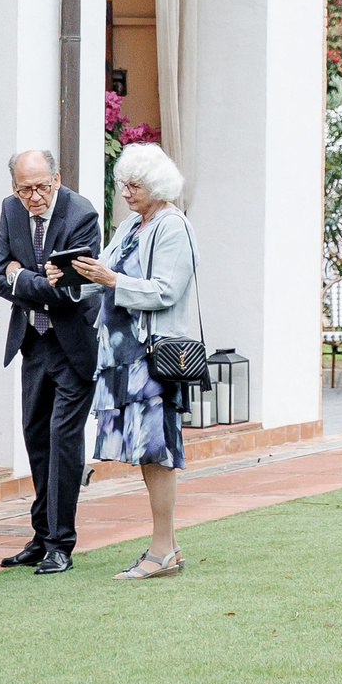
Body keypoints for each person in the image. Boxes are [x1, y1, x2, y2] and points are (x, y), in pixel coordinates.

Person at [71, 142, 199, 581]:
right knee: (146, 452)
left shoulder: (172, 226)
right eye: (122, 184)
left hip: (151, 357)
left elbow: (166, 290)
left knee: (156, 451)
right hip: (122, 356)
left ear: (157, 186)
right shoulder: (130, 225)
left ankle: (162, 550)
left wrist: (111, 279)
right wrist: (69, 277)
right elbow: (103, 277)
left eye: (134, 185)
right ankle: (168, 548)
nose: (125, 192)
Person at [0, 149, 102, 575]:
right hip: (33, 342)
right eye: (25, 190)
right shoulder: (10, 209)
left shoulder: (81, 214)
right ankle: (40, 537)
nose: (34, 197)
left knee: (63, 440)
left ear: (57, 178)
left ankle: (60, 544)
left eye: (41, 187)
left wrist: (21, 276)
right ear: (13, 187)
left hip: (73, 346)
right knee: (36, 436)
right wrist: (29, 279)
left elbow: (68, 290)